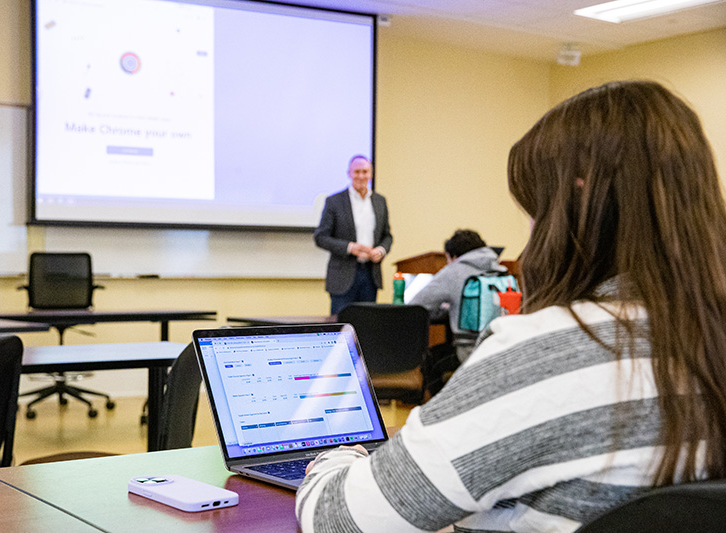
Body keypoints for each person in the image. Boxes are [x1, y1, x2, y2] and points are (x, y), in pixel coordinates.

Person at [296, 80, 726, 532]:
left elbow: (336, 519)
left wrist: (339, 453)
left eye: (535, 206)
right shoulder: (707, 339)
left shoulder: (545, 352)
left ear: (578, 200)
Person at [409, 229, 506, 395]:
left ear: (453, 256)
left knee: (431, 360)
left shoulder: (454, 270)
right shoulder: (500, 269)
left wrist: (446, 307)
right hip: (500, 345)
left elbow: (416, 305)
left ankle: (439, 411)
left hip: (468, 350)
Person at [314, 155, 392, 315]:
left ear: (371, 174)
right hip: (343, 276)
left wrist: (381, 251)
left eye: (365, 172)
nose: (361, 176)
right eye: (357, 172)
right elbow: (320, 237)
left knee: (367, 327)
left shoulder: (380, 201)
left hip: (370, 275)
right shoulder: (334, 201)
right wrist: (350, 248)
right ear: (349, 173)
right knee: (341, 327)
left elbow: (387, 236)